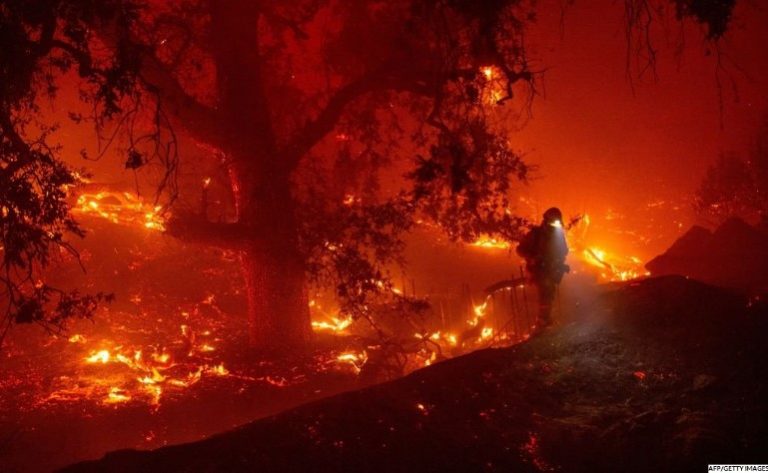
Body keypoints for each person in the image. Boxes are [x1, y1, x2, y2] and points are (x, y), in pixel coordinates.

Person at [516, 207, 569, 332]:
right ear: (546, 221)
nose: (555, 226)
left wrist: (559, 262)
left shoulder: (558, 234)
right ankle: (542, 323)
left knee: (550, 295)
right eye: (553, 222)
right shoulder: (536, 234)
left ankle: (546, 321)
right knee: (545, 293)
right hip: (538, 270)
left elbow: (564, 250)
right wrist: (533, 257)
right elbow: (520, 249)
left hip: (552, 269)